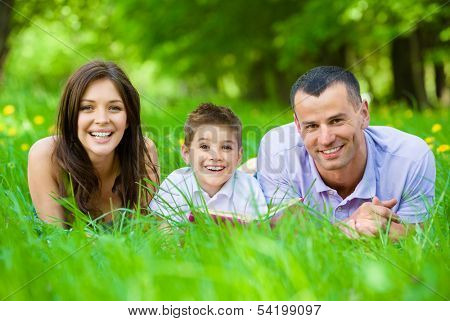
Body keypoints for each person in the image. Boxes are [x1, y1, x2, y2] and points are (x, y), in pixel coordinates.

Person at [257, 66, 435, 238]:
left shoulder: (411, 157)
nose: (326, 139)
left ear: (364, 114)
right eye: (311, 126)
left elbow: (415, 237)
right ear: (297, 125)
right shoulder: (277, 151)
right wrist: (350, 227)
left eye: (336, 121)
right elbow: (290, 237)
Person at [28, 61, 159, 227]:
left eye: (114, 108)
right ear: (72, 116)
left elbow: (143, 235)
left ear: (128, 119)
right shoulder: (45, 155)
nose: (102, 120)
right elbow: (55, 240)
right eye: (87, 107)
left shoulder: (143, 152)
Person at [150, 103, 267, 222]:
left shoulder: (249, 187)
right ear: (186, 153)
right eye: (205, 146)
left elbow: (260, 230)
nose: (215, 156)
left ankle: (252, 166)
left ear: (238, 156)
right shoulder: (175, 183)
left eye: (226, 147)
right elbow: (162, 230)